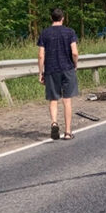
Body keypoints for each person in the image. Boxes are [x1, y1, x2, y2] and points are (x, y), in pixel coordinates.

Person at [37, 8, 80, 140]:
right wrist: (75, 64)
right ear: (63, 18)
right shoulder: (69, 32)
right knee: (67, 100)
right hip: (67, 69)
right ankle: (67, 132)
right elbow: (75, 52)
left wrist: (40, 73)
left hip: (51, 70)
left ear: (51, 18)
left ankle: (54, 122)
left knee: (53, 99)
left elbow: (40, 55)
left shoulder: (44, 33)